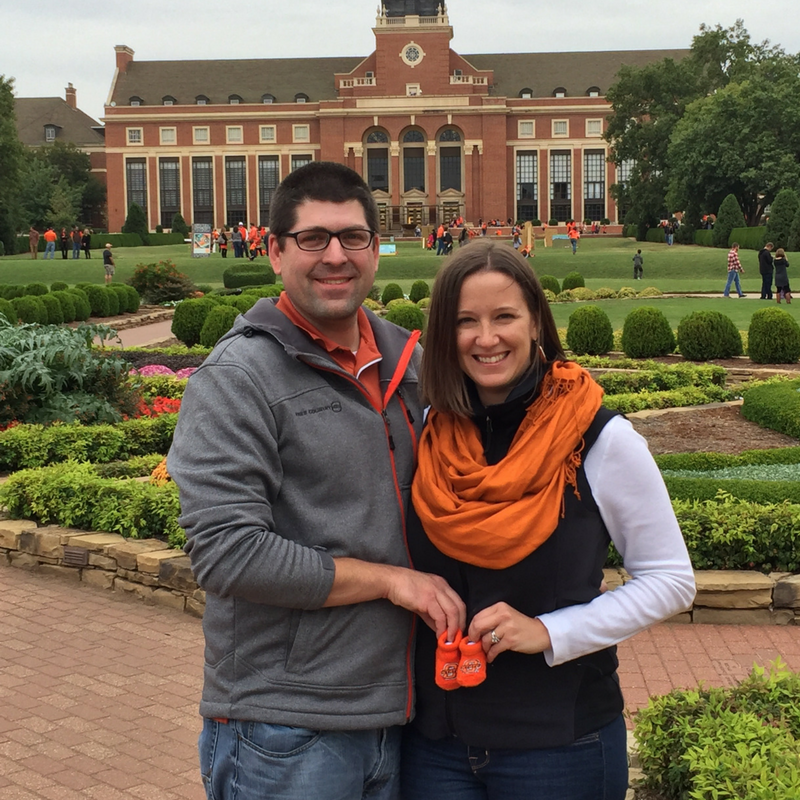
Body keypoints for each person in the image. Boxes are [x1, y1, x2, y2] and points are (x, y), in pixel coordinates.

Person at [167, 161, 465, 800]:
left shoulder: (409, 365)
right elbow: (228, 555)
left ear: (375, 248)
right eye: (313, 239)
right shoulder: (237, 379)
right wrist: (392, 581)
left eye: (353, 238)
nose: (337, 256)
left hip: (401, 710)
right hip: (285, 725)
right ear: (275, 252)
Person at [400, 241, 695, 800]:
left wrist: (550, 631)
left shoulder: (600, 440)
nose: (486, 339)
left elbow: (670, 580)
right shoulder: (428, 432)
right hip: (435, 746)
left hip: (560, 749)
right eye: (466, 321)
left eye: (504, 316)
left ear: (536, 321)